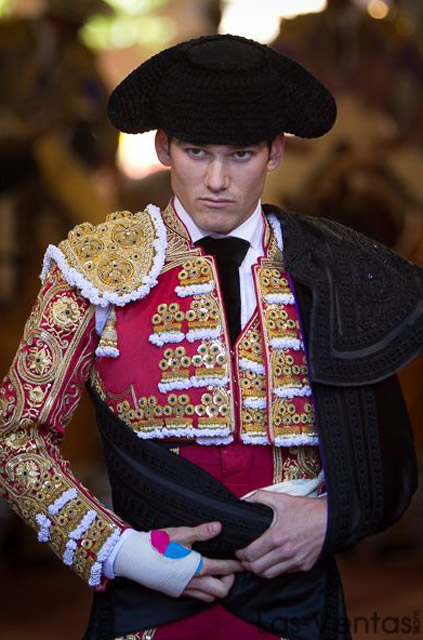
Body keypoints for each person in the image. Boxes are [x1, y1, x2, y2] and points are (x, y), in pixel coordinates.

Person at [0, 34, 422, 640]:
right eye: (197, 152)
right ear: (164, 146)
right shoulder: (91, 270)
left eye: (242, 154)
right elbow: (16, 435)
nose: (218, 180)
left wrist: (330, 519)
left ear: (276, 152)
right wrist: (122, 551)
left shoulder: (337, 268)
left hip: (295, 602)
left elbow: (386, 464)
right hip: (150, 604)